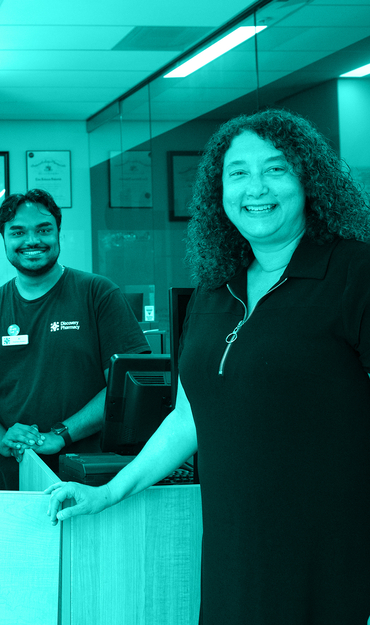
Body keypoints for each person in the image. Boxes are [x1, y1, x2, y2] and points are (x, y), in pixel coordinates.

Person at [46, 109, 370, 624]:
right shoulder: (216, 290)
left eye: (276, 169)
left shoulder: (355, 272)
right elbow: (188, 415)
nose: (256, 188)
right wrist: (111, 490)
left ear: (309, 179)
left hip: (331, 557)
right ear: (219, 193)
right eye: (237, 173)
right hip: (234, 552)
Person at [0, 188, 149, 490]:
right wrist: (1, 438)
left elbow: (125, 385)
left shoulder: (98, 294)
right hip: (11, 476)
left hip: (88, 478)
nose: (32, 240)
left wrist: (62, 433)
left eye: (43, 229)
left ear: (58, 232)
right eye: (18, 232)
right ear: (4, 238)